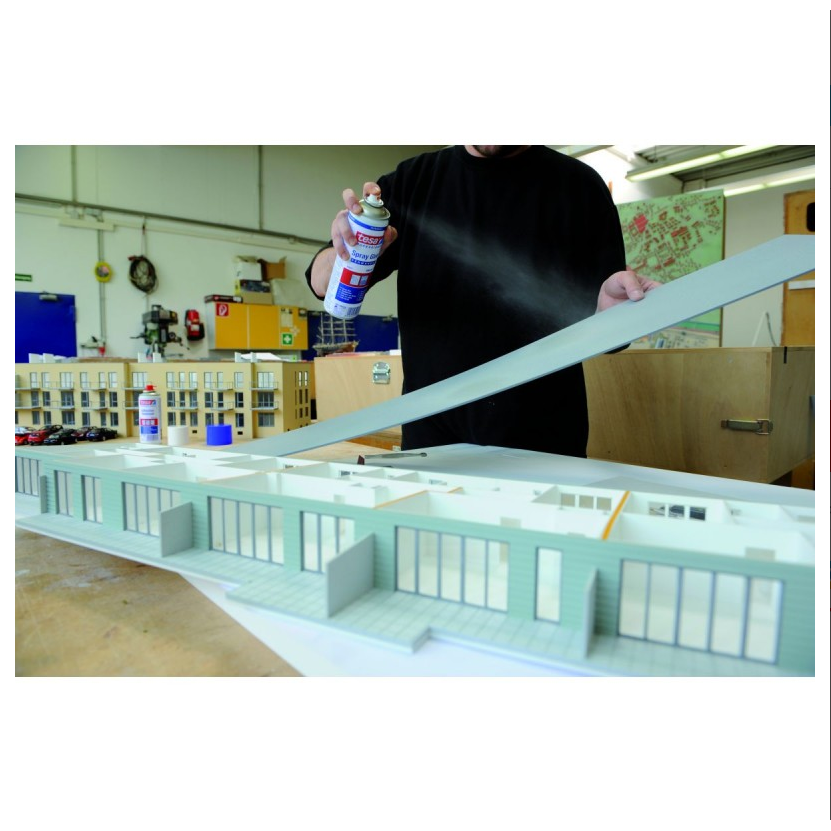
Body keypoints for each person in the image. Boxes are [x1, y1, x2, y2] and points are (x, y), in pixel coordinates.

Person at [306, 145, 659, 457]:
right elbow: (320, 284)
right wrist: (346, 247)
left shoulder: (581, 187)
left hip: (546, 444)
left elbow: (609, 331)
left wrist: (610, 315)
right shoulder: (412, 181)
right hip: (433, 444)